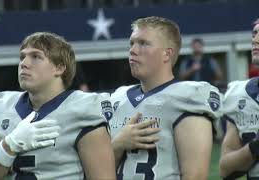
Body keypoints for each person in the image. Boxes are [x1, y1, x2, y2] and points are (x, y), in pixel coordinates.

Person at [0, 32, 116, 180]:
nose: (24, 63)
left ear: (59, 68)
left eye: (36, 57)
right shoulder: (7, 107)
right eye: (22, 57)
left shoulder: (83, 109)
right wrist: (10, 145)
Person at [109, 16, 222, 179]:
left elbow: (195, 176)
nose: (133, 50)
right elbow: (95, 172)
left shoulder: (188, 97)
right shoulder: (118, 98)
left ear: (166, 54)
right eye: (132, 43)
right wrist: (118, 145)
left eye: (143, 43)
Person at [219, 18, 259, 179]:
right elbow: (225, 170)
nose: (255, 39)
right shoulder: (240, 93)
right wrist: (255, 147)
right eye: (255, 33)